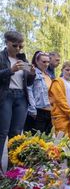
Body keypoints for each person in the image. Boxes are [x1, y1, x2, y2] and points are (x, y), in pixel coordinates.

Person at [0, 31, 36, 164]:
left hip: (21, 97)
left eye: (21, 46)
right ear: (7, 42)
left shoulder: (23, 59)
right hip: (5, 96)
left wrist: (31, 74)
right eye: (15, 46)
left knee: (15, 133)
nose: (18, 49)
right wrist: (11, 70)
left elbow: (29, 83)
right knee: (2, 132)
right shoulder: (1, 57)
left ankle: (12, 168)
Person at [48, 61, 70, 139]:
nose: (69, 72)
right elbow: (60, 100)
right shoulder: (57, 82)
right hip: (61, 115)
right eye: (67, 70)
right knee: (60, 139)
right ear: (62, 70)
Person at [26, 51, 52, 134]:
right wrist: (32, 110)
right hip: (37, 111)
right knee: (35, 142)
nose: (46, 64)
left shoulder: (48, 76)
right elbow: (29, 90)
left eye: (48, 62)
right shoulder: (33, 73)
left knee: (45, 141)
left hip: (49, 112)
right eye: (44, 62)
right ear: (36, 61)